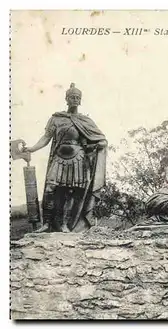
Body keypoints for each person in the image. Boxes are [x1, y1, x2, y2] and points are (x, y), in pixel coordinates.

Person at [23, 83, 107, 233]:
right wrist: (32, 148)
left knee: (71, 193)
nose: (75, 100)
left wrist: (99, 144)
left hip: (78, 160)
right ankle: (47, 223)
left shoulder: (85, 121)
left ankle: (65, 225)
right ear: (66, 99)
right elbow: (46, 137)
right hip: (59, 158)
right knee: (51, 189)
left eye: (77, 97)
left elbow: (99, 138)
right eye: (72, 97)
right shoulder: (56, 119)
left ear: (80, 100)